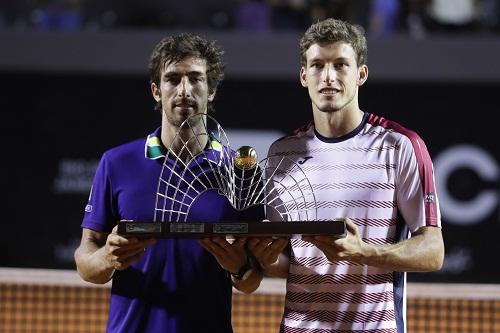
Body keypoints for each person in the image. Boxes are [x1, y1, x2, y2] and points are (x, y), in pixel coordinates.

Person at [249, 18, 444, 333]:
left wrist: (364, 251)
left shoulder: (401, 146)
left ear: (360, 75)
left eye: (340, 65)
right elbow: (291, 264)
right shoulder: (280, 154)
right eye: (317, 66)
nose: (328, 77)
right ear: (304, 76)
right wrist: (266, 258)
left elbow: (434, 252)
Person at [74, 33, 262, 333]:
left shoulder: (241, 171)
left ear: (211, 90)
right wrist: (107, 258)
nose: (184, 90)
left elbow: (251, 280)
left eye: (195, 79)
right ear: (156, 91)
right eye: (173, 79)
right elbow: (86, 263)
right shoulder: (116, 163)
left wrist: (239, 267)